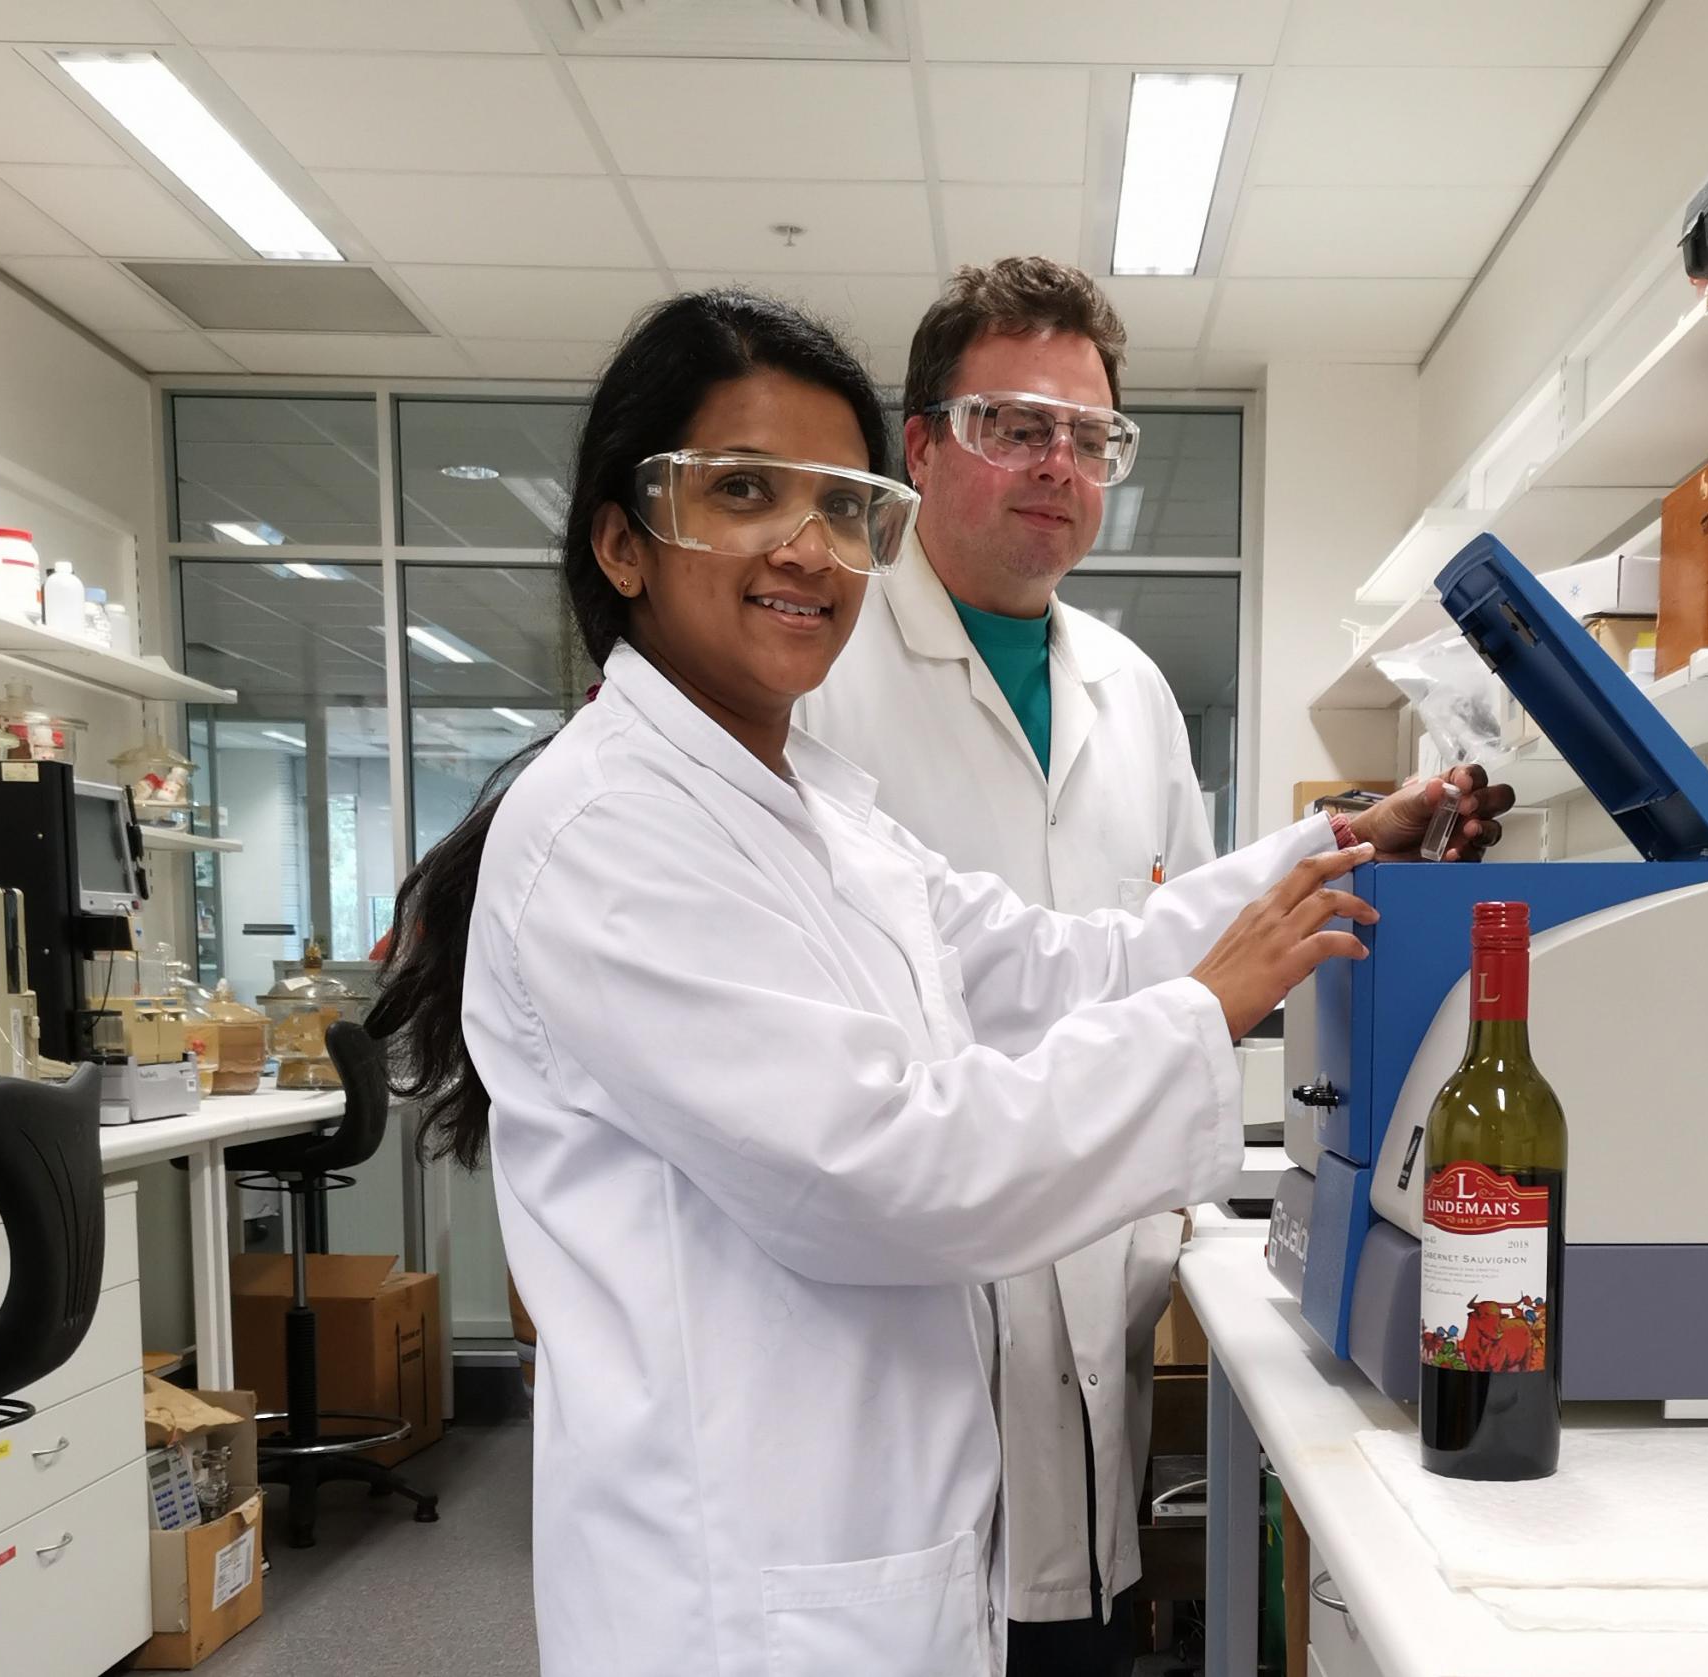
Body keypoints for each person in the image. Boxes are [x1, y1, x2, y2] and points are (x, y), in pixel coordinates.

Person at [366, 289, 1503, 1677]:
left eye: (841, 508)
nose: (805, 546)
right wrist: (1208, 1008)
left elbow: (1047, 959)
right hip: (742, 1593)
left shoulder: (813, 803)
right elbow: (885, 1166)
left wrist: (1329, 851)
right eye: (740, 492)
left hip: (880, 1542)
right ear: (621, 540)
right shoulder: (612, 832)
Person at [797, 257, 1217, 1671]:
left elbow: (1168, 950)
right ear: (919, 447)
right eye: (1011, 425)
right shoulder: (821, 671)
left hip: (1103, 1297)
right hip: (914, 1314)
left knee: (1084, 1634)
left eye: (1089, 437)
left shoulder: (1136, 695)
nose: (1058, 463)